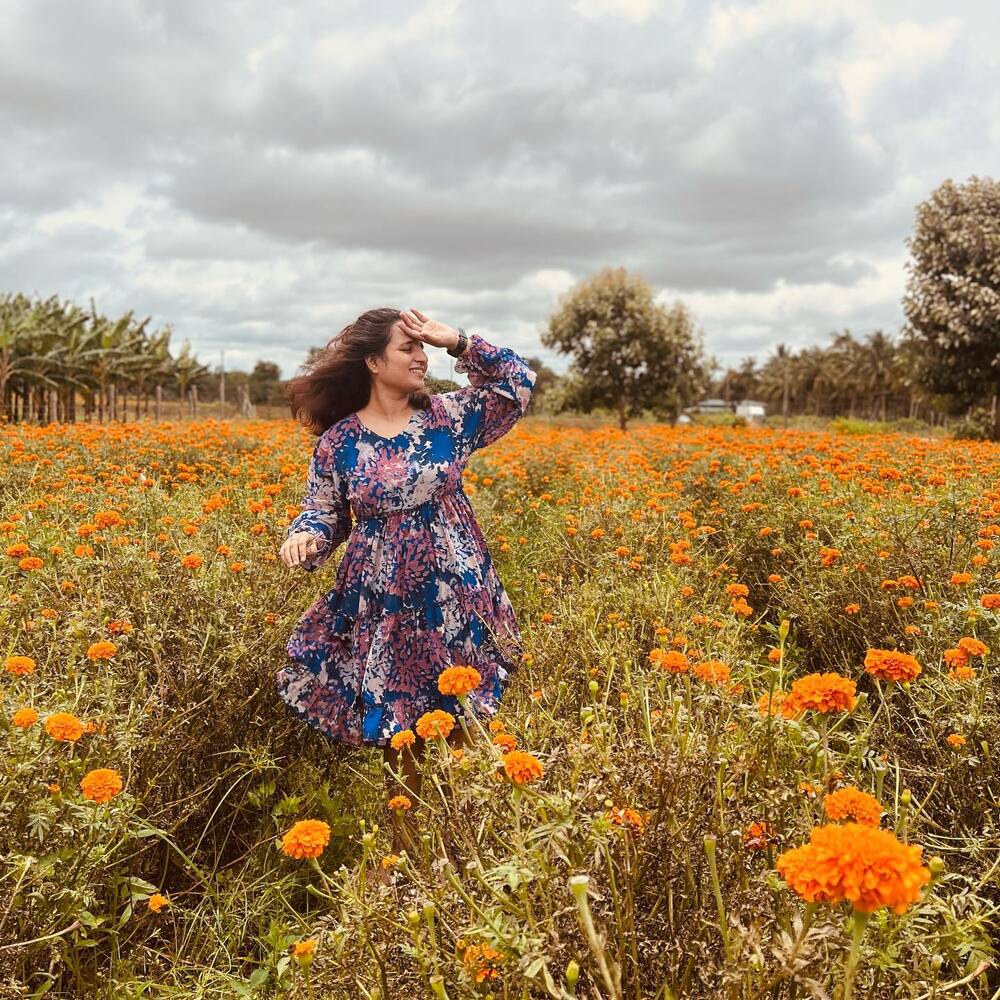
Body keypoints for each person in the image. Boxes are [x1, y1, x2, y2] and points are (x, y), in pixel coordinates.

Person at [277, 307, 536, 858]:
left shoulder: (448, 417)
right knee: (403, 732)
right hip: (386, 601)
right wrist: (305, 538)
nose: (421, 357)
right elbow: (323, 513)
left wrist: (458, 341)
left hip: (457, 593)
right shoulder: (340, 443)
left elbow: (518, 384)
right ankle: (408, 858)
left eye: (423, 348)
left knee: (467, 716)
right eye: (407, 348)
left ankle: (467, 849)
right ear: (373, 362)